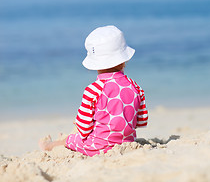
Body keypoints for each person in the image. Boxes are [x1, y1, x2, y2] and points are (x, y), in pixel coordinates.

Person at [39, 25, 148, 156]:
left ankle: (50, 145)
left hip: (98, 147)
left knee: (71, 139)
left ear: (95, 64)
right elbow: (141, 121)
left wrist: (79, 122)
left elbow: (84, 129)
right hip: (128, 142)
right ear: (124, 59)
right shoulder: (135, 87)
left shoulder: (94, 90)